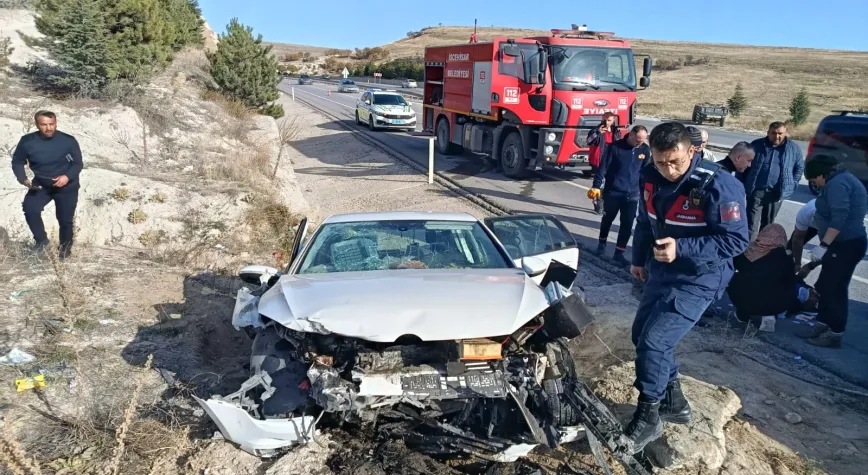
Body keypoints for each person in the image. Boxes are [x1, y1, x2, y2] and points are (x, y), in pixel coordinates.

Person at [627, 122, 749, 454]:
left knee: (655, 342)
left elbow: (736, 240)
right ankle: (675, 403)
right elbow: (645, 221)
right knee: (641, 336)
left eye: (675, 162)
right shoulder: (649, 175)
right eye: (661, 162)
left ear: (692, 150)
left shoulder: (719, 185)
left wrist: (682, 248)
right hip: (661, 270)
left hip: (700, 277)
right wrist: (638, 259)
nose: (668, 170)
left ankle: (649, 415)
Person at [796, 155, 867, 348]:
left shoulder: (837, 184)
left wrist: (824, 245)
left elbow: (839, 217)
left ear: (821, 174)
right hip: (840, 244)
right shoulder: (840, 180)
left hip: (845, 244)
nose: (815, 184)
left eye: (814, 180)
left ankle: (835, 333)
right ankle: (822, 322)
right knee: (826, 286)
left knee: (835, 289)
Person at [11, 110, 83, 260]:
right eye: (44, 124)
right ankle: (42, 242)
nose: (48, 128)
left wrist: (67, 177)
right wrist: (23, 179)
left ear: (56, 123)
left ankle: (64, 253)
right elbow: (17, 161)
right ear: (37, 124)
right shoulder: (27, 141)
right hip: (41, 184)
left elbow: (77, 164)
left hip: (66, 186)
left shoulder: (68, 141)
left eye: (52, 124)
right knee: (30, 208)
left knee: (65, 220)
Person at [728, 224, 817, 327]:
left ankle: (742, 314)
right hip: (772, 305)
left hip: (739, 299)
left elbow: (734, 267)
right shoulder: (784, 257)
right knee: (786, 290)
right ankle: (769, 315)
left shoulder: (748, 250)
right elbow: (790, 283)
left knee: (743, 283)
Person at [588, 125, 650, 266]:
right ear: (631, 135)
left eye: (643, 140)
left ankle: (619, 253)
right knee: (607, 219)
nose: (640, 143)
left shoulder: (644, 150)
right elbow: (602, 168)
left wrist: (646, 188)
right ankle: (601, 244)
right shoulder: (615, 147)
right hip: (613, 192)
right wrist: (596, 186)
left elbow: (646, 172)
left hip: (632, 195)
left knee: (627, 224)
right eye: (638, 140)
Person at [743, 121, 805, 240]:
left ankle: (761, 249)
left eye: (780, 133)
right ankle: (748, 249)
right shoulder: (756, 145)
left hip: (775, 193)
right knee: (751, 225)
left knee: (768, 226)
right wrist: (741, 184)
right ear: (768, 133)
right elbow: (744, 164)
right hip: (756, 191)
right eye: (774, 133)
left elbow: (799, 168)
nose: (777, 136)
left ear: (785, 133)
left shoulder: (793, 149)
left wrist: (793, 184)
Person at [587, 112, 621, 214]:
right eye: (605, 120)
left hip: (612, 160)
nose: (606, 122)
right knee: (600, 182)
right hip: (600, 159)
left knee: (610, 183)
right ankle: (598, 203)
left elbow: (619, 144)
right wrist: (598, 133)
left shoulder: (616, 131)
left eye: (609, 120)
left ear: (613, 120)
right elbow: (589, 141)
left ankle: (605, 202)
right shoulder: (596, 130)